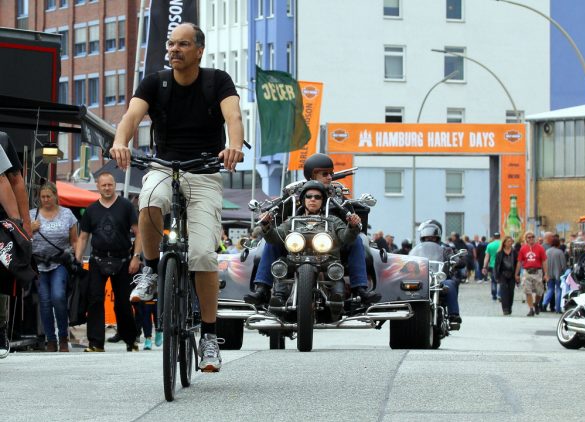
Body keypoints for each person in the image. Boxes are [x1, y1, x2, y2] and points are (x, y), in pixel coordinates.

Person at [111, 22, 244, 372]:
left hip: (204, 172)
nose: (174, 50)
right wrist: (120, 142)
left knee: (202, 254)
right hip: (164, 165)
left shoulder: (218, 81)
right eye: (171, 44)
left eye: (183, 44)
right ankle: (153, 271)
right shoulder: (156, 82)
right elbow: (131, 116)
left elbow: (234, 117)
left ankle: (211, 338)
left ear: (199, 50)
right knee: (149, 197)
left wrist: (232, 146)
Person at [244, 153, 380, 306]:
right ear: (312, 175)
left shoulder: (338, 195)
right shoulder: (294, 196)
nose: (330, 177)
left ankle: (360, 289)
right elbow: (279, 222)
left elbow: (350, 224)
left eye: (331, 173)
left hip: (332, 245)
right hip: (297, 245)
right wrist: (267, 222)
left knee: (358, 240)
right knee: (269, 242)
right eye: (325, 174)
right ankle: (262, 288)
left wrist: (353, 224)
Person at [260, 181, 361, 307]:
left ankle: (337, 298)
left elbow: (346, 237)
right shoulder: (292, 221)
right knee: (281, 265)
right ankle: (279, 297)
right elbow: (276, 238)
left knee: (335, 269)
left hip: (327, 260)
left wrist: (352, 226)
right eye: (309, 196)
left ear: (322, 201)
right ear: (303, 200)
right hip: (295, 259)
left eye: (317, 197)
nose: (313, 199)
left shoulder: (333, 221)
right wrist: (266, 225)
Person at [75, 172, 143, 352]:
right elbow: (83, 238)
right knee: (95, 300)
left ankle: (130, 340)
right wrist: (78, 259)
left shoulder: (126, 206)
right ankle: (96, 343)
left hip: (123, 259)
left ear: (115, 185)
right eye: (103, 185)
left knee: (122, 302)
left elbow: (139, 233)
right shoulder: (91, 210)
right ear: (97, 186)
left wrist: (136, 257)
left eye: (110, 185)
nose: (107, 188)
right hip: (98, 258)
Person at [29, 182, 78, 352]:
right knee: (44, 301)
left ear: (55, 196)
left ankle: (63, 336)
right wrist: (30, 229)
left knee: (58, 296)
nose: (45, 200)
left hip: (59, 262)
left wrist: (76, 259)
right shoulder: (32, 215)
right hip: (39, 264)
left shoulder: (67, 214)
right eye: (42, 197)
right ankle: (51, 339)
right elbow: (22, 238)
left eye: (48, 196)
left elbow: (75, 240)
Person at [0, 133, 32, 360]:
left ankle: (0, 330)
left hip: (1, 218)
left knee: (2, 277)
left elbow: (13, 181)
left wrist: (22, 225)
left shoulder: (2, 140)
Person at [409, 219, 462, 325]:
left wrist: (456, 261)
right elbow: (410, 259)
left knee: (450, 284)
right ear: (423, 238)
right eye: (427, 238)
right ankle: (408, 312)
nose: (430, 239)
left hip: (440, 278)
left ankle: (453, 315)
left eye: (433, 238)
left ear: (437, 238)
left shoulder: (446, 249)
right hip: (422, 278)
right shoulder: (417, 250)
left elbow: (457, 259)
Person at [515, 231, 549, 316]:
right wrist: (517, 273)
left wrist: (546, 273)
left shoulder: (540, 248)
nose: (531, 239)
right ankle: (531, 309)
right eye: (529, 237)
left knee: (539, 292)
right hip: (527, 272)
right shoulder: (523, 248)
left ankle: (536, 304)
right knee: (528, 291)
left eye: (532, 237)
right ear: (526, 239)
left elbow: (544, 261)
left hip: (538, 272)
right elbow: (519, 261)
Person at [494, 236, 518, 315]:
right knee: (503, 291)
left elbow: (517, 263)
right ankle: (505, 308)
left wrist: (517, 274)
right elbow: (496, 265)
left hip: (512, 273)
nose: (510, 243)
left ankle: (510, 306)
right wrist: (496, 275)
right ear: (504, 243)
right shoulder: (499, 253)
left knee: (511, 291)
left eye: (511, 241)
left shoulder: (514, 252)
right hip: (502, 274)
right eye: (508, 241)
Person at [542, 236, 566, 313]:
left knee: (550, 289)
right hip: (558, 274)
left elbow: (544, 262)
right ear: (558, 243)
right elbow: (563, 265)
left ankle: (544, 303)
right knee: (558, 290)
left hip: (548, 273)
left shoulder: (547, 251)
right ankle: (558, 308)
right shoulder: (560, 252)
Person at [482, 232, 502, 300]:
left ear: (493, 237)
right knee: (502, 280)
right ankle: (500, 294)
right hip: (502, 265)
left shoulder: (490, 245)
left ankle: (494, 294)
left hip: (493, 265)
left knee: (493, 281)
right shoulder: (502, 244)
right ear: (500, 237)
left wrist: (484, 267)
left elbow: (487, 257)